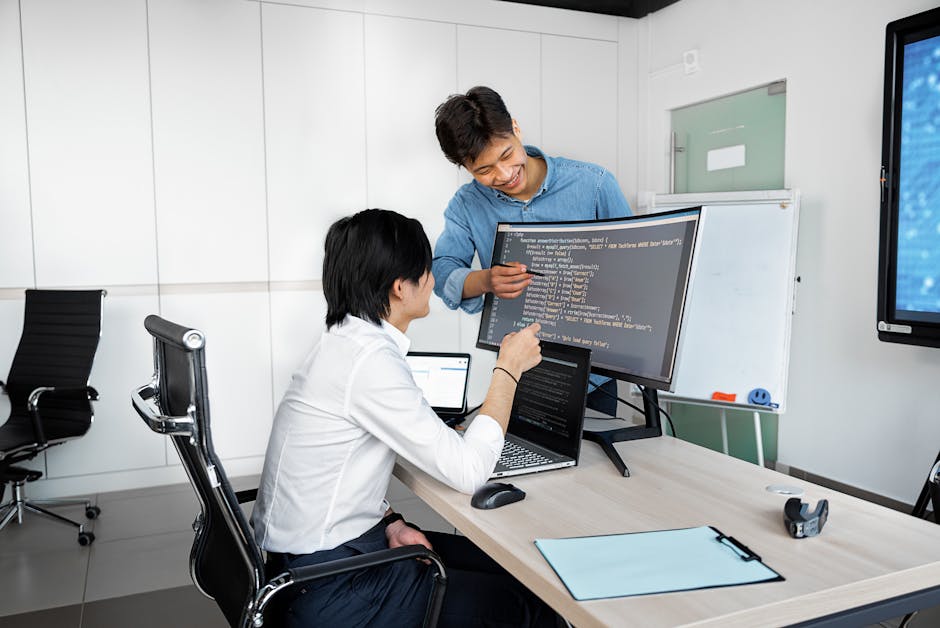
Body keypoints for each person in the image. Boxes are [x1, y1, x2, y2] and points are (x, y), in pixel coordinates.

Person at [251, 208, 557, 627]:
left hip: (312, 562)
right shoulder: (369, 360)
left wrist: (389, 520)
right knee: (534, 603)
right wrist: (508, 369)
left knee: (519, 570)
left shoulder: (343, 343)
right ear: (400, 287)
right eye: (427, 271)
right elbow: (469, 471)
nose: (432, 280)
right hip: (331, 586)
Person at [432, 85, 632, 414]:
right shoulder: (466, 205)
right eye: (484, 170)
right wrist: (486, 281)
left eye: (507, 154)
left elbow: (638, 267)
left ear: (516, 128)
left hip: (595, 375)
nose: (505, 175)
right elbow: (442, 272)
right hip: (518, 377)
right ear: (465, 169)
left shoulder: (594, 185)